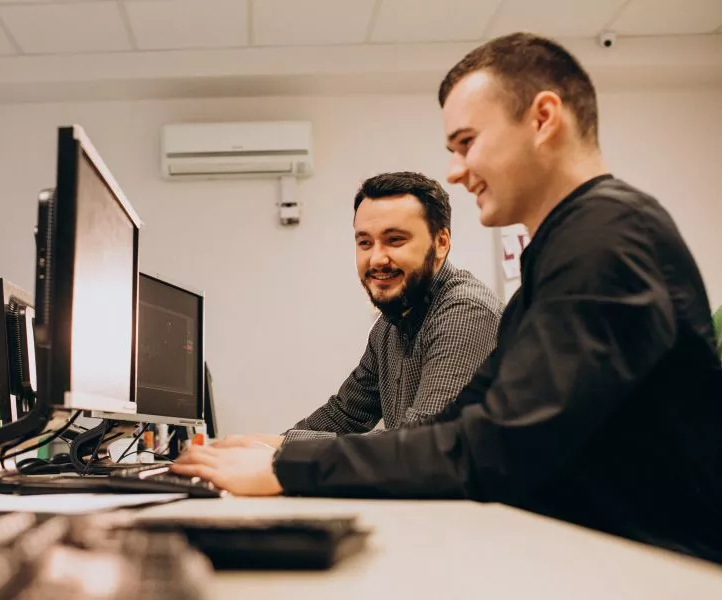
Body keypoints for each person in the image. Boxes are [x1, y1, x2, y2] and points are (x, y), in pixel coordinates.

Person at [172, 33, 722, 560]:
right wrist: (282, 452)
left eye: (466, 144)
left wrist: (288, 467)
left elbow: (492, 449)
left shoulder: (606, 240)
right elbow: (454, 428)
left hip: (654, 572)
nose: (457, 172)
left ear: (544, 119)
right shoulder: (566, 247)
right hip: (603, 554)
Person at [224, 172, 500, 451]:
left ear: (441, 243)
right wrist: (265, 448)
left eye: (395, 240)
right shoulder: (391, 322)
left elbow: (422, 442)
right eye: (365, 243)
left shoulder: (466, 312)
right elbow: (345, 415)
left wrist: (284, 448)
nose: (376, 258)